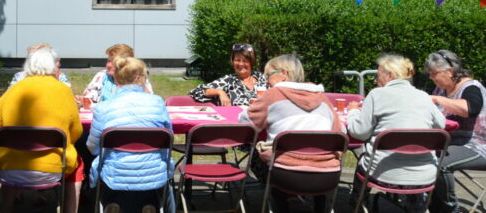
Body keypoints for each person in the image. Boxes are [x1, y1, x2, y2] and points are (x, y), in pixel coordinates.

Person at [0, 47, 84, 213]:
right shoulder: (64, 90)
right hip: (54, 168)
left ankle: (6, 208)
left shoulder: (15, 89)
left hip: (9, 169)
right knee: (77, 165)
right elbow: (76, 131)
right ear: (53, 66)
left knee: (11, 158)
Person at [239, 54, 341, 213]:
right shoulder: (323, 98)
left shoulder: (272, 95)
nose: (266, 80)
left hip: (286, 175)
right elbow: (339, 134)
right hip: (327, 176)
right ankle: (318, 207)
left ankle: (282, 205)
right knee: (317, 157)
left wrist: (244, 111)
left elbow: (247, 124)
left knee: (257, 158)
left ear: (284, 73)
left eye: (269, 75)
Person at [345, 54, 444, 211]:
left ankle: (357, 203)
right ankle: (415, 204)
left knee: (364, 159)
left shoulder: (376, 95)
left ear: (390, 75)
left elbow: (359, 133)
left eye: (378, 76)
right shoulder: (424, 96)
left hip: (383, 173)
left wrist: (352, 113)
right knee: (411, 157)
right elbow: (441, 125)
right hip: (425, 175)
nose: (375, 81)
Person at [87, 56, 174, 213]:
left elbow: (93, 147)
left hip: (115, 173)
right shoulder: (157, 102)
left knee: (100, 167)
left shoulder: (103, 107)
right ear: (138, 78)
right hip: (153, 171)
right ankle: (150, 205)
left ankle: (112, 204)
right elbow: (168, 139)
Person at [425, 49, 486, 213]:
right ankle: (430, 205)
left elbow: (470, 109)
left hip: (477, 145)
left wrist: (439, 100)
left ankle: (450, 209)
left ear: (450, 71)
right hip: (449, 142)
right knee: (419, 154)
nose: (431, 77)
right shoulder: (440, 88)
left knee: (440, 163)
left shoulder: (471, 88)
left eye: (434, 73)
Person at [189, 43, 267, 107]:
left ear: (251, 62)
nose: (241, 64)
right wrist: (220, 92)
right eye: (237, 60)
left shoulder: (262, 78)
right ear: (232, 62)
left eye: (245, 61)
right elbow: (196, 92)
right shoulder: (228, 80)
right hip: (239, 123)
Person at [82, 44, 153, 104]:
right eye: (108, 61)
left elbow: (149, 101)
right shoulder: (102, 76)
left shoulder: (137, 78)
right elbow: (88, 97)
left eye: (113, 62)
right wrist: (83, 99)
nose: (108, 65)